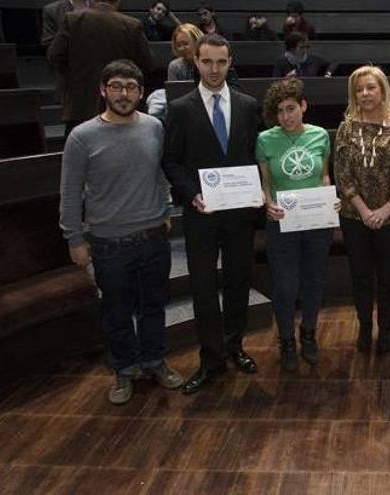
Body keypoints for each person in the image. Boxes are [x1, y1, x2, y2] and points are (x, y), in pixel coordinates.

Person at [59, 59, 183, 405]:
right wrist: (74, 239)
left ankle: (155, 361)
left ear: (141, 93)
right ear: (103, 90)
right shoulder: (82, 137)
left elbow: (160, 173)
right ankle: (124, 371)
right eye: (116, 86)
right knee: (116, 311)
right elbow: (70, 193)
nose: (123, 94)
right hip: (108, 242)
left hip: (153, 236)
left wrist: (166, 206)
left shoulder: (154, 128)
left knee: (154, 306)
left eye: (130, 88)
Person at [162, 34, 262, 394]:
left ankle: (235, 347)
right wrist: (192, 195)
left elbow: (255, 156)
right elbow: (171, 161)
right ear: (196, 63)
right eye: (207, 62)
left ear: (230, 60)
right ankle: (210, 359)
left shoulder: (249, 105)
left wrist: (258, 191)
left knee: (238, 282)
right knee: (203, 287)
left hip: (239, 214)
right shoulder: (180, 108)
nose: (215, 69)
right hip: (201, 215)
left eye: (221, 62)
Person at [256, 78, 340, 371]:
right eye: (279, 111)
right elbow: (265, 185)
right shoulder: (265, 139)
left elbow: (324, 177)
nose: (285, 116)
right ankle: (287, 341)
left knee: (314, 281)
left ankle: (309, 335)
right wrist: (268, 203)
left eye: (291, 109)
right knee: (285, 286)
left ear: (303, 106)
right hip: (281, 223)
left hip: (317, 222)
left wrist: (331, 199)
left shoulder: (320, 136)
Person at [334, 66, 390, 353]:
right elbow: (342, 175)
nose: (365, 94)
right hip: (355, 216)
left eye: (371, 87)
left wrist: (385, 208)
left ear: (383, 90)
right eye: (359, 89)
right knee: (361, 276)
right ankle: (365, 329)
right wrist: (365, 210)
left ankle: (386, 333)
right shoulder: (346, 127)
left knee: (389, 278)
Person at [47, 0, 153, 137]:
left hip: (80, 104)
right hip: (120, 107)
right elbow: (148, 64)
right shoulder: (132, 25)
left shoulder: (73, 19)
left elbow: (54, 56)